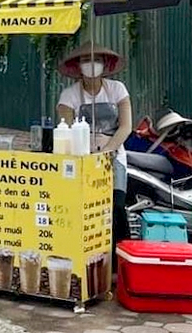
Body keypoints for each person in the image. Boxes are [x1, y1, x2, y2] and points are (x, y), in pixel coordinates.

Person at [56, 43, 132, 251]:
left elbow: (125, 127)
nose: (91, 65)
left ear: (105, 64)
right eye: (86, 60)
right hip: (82, 159)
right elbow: (67, 129)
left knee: (116, 206)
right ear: (78, 66)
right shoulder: (68, 96)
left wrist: (108, 151)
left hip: (113, 157)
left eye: (96, 60)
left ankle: (121, 261)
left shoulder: (118, 90)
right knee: (85, 209)